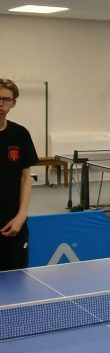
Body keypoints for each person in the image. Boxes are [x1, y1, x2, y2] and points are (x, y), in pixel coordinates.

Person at [0, 79, 38, 271]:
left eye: (6, 99)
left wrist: (21, 215)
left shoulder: (20, 134)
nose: (1, 104)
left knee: (17, 280)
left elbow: (25, 178)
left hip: (14, 224)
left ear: (13, 103)